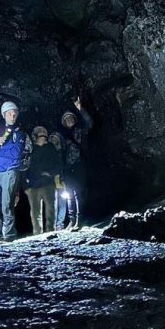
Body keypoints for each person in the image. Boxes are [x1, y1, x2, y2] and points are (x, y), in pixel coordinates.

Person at [0, 101, 30, 241]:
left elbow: (16, 154)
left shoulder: (20, 134)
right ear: (4, 115)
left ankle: (8, 235)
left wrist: (1, 148)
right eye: (10, 113)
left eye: (15, 113)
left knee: (6, 204)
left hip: (10, 170)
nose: (13, 115)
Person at [57, 96, 93, 230]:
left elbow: (89, 123)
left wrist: (80, 109)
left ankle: (79, 220)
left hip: (79, 165)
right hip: (68, 167)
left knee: (79, 194)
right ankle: (71, 220)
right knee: (69, 194)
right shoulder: (63, 137)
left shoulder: (80, 131)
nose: (69, 120)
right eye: (66, 119)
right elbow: (60, 153)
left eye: (71, 118)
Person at [25, 126, 63, 235]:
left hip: (48, 183)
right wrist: (25, 186)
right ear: (35, 135)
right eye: (39, 133)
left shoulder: (50, 148)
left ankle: (50, 232)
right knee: (35, 211)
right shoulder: (31, 149)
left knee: (51, 209)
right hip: (34, 184)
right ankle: (37, 233)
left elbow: (58, 163)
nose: (42, 134)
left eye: (43, 132)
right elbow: (26, 166)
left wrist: (50, 173)